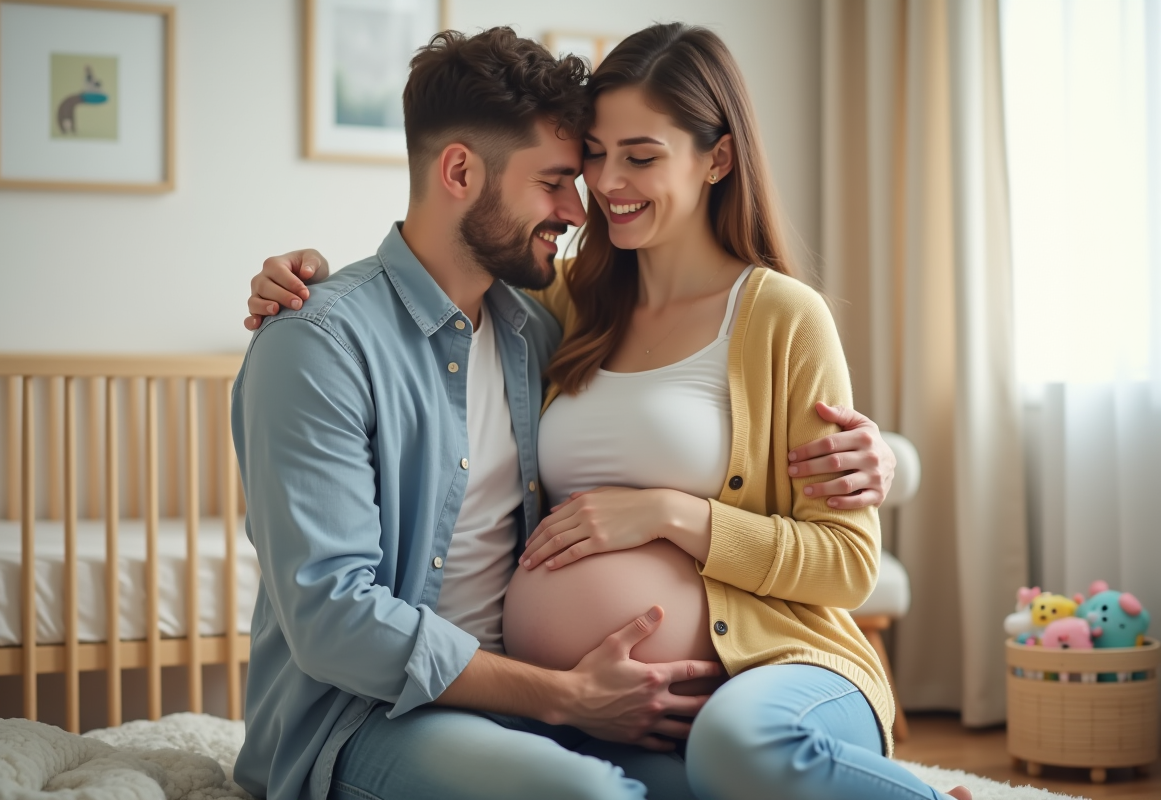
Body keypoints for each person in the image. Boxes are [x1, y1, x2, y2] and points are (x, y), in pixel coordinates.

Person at [238, 24, 962, 800]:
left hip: (685, 684)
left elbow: (839, 551)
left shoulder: (573, 318)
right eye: (577, 166)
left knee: (729, 766)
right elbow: (421, 283)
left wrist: (685, 509)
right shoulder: (526, 308)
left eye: (636, 157)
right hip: (455, 709)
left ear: (717, 158)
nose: (587, 199)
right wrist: (298, 289)